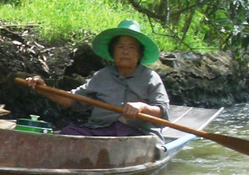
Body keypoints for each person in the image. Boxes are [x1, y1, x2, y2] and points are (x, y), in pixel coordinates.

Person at [24, 19, 169, 138]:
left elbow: (162, 112)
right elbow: (73, 100)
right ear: (113, 52)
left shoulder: (151, 78)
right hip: (100, 131)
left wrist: (142, 107)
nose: (125, 51)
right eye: (120, 47)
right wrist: (43, 89)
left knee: (126, 144)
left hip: (137, 135)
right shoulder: (102, 75)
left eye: (131, 47)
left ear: (139, 53)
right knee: (67, 134)